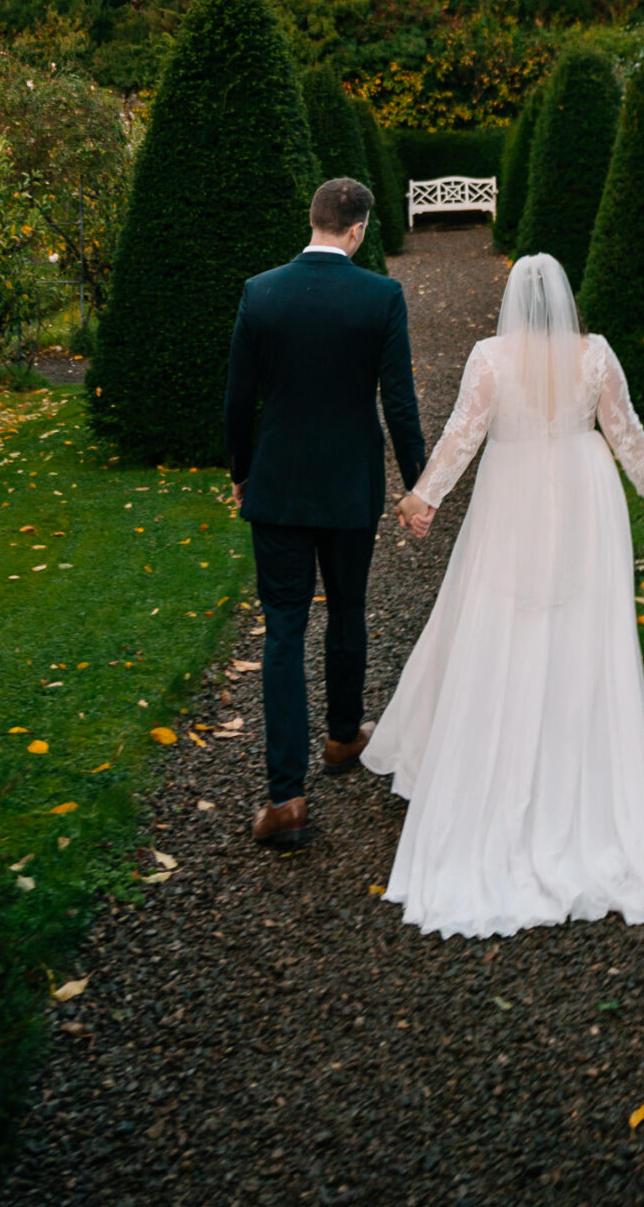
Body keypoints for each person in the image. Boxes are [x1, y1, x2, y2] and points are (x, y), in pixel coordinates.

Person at [362, 252, 644, 937]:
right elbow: (623, 429)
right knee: (580, 617)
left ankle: (499, 756)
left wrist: (423, 496)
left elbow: (461, 434)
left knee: (506, 611)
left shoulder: (488, 357)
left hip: (512, 489)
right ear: (564, 301)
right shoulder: (594, 353)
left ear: (512, 302)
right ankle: (582, 760)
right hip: (583, 487)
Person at [225, 174, 425, 850]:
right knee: (346, 608)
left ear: (312, 220)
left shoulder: (261, 292)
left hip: (277, 486)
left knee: (282, 632)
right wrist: (418, 482)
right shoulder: (379, 295)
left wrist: (241, 474)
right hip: (348, 484)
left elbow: (236, 401)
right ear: (358, 229)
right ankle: (342, 738)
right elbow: (398, 401)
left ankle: (286, 800)